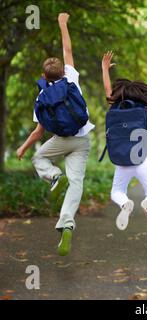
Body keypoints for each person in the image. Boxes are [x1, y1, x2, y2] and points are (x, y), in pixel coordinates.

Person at [16, 13, 94, 256]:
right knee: (77, 183)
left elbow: (39, 131)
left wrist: (24, 148)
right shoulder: (71, 78)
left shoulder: (41, 97)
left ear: (43, 76)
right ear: (62, 71)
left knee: (39, 159)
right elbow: (67, 49)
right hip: (81, 139)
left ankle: (54, 177)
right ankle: (66, 223)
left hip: (60, 140)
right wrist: (62, 24)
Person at [101, 41, 147, 231]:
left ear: (117, 93)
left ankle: (124, 203)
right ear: (140, 94)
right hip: (141, 159)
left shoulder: (113, 106)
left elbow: (108, 90)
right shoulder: (142, 107)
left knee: (117, 191)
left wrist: (105, 68)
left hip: (121, 160)